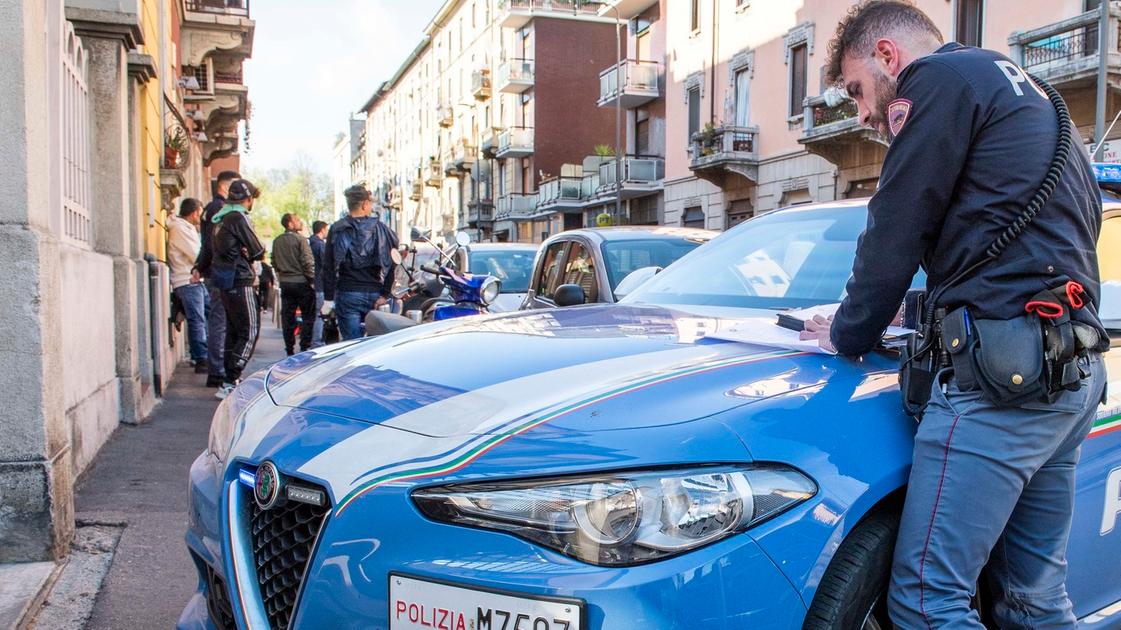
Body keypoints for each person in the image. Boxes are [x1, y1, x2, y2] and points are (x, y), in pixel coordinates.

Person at [801, 2, 1108, 627]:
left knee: (925, 601)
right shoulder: (1034, 94)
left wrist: (848, 329)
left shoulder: (934, 83)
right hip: (1067, 371)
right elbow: (1022, 245)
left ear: (888, 56)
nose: (863, 115)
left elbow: (894, 227)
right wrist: (919, 311)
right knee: (1034, 600)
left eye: (859, 91)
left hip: (1001, 386)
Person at [201, 179, 265, 399]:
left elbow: (207, 250)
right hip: (240, 278)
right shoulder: (238, 218)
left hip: (224, 280)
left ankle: (229, 380)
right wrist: (249, 251)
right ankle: (231, 379)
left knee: (233, 332)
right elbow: (258, 250)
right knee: (250, 331)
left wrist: (198, 268)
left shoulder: (219, 218)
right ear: (248, 200)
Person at [321, 185, 399, 340]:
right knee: (376, 346)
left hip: (348, 293)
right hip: (375, 294)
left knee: (352, 345)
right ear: (364, 204)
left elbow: (328, 267)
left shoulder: (337, 229)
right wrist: (384, 293)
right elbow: (394, 262)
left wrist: (328, 299)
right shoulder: (381, 229)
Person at [195, 169, 240, 388]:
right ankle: (218, 371)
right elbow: (213, 243)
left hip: (215, 270)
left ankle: (218, 369)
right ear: (224, 187)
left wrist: (200, 266)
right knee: (221, 322)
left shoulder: (212, 208)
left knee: (220, 321)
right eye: (236, 187)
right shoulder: (219, 209)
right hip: (220, 272)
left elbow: (206, 244)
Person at [167, 198, 208, 372]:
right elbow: (195, 254)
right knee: (197, 319)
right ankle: (200, 358)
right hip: (187, 280)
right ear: (194, 213)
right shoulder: (180, 228)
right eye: (200, 212)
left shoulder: (186, 228)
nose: (201, 216)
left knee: (207, 314)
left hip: (195, 281)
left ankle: (201, 354)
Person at [272, 213, 316, 355]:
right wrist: (312, 280)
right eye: (297, 220)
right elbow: (307, 261)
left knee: (287, 317)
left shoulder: (277, 241)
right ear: (290, 224)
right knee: (308, 315)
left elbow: (274, 261)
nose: (300, 222)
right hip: (302, 282)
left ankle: (289, 348)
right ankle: (304, 346)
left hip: (285, 283)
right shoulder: (301, 240)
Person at [309, 220, 328, 347]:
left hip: (313, 283)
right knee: (320, 315)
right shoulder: (320, 245)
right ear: (322, 229)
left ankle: (314, 340)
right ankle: (317, 342)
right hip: (320, 284)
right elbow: (326, 264)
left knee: (314, 314)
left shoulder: (309, 243)